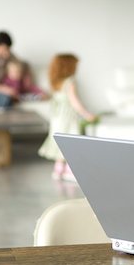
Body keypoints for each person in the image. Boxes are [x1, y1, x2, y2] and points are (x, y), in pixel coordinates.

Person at [38, 53, 97, 181]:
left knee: (60, 141)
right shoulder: (70, 82)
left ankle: (58, 169)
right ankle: (70, 171)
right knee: (71, 142)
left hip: (57, 118)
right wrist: (88, 115)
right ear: (68, 67)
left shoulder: (55, 82)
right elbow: (75, 103)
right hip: (68, 118)